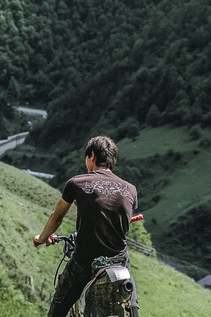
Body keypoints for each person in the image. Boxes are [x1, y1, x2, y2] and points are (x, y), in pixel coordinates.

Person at [34, 136, 139, 317]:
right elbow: (118, 214)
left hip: (86, 261)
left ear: (91, 156)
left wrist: (42, 238)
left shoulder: (77, 183)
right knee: (129, 298)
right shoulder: (130, 189)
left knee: (59, 305)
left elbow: (56, 218)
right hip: (118, 260)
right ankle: (134, 309)